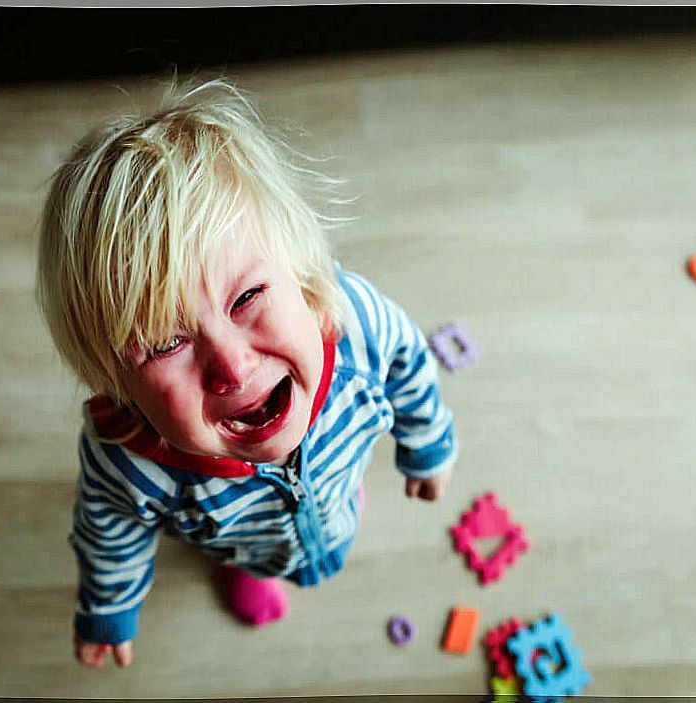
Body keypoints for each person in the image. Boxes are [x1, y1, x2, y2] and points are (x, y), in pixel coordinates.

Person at [36, 78, 458, 669]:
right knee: (241, 552)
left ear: (301, 276)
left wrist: (426, 445)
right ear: (116, 383)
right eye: (167, 343)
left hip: (337, 482)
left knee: (333, 499)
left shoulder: (359, 328)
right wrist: (109, 607)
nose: (232, 366)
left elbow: (410, 365)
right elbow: (109, 532)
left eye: (249, 297)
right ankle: (250, 567)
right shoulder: (128, 462)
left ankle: (329, 501)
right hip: (242, 542)